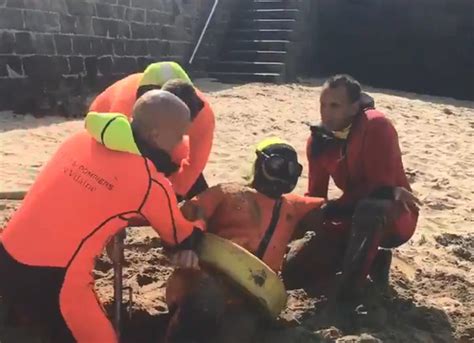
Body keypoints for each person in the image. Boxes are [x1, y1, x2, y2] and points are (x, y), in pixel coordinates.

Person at [0, 90, 204, 342]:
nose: (180, 144)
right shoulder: (149, 182)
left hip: (7, 253)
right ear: (156, 135)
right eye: (179, 135)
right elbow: (181, 236)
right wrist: (200, 217)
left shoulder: (80, 138)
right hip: (55, 280)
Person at [164, 138, 326, 343]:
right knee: (206, 301)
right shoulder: (227, 193)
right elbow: (194, 212)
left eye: (291, 169)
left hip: (252, 297)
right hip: (204, 278)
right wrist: (189, 244)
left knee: (241, 327)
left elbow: (327, 208)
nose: (283, 174)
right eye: (276, 165)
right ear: (259, 164)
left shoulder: (293, 206)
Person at [282, 75, 420, 301]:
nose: (326, 112)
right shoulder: (318, 140)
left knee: (370, 209)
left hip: (395, 215)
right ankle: (374, 260)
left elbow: (380, 187)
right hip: (349, 213)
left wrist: (331, 209)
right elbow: (316, 195)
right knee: (295, 272)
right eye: (323, 105)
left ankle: (349, 296)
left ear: (354, 106)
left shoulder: (376, 125)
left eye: (335, 105)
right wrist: (300, 214)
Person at [89, 61, 215, 199]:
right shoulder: (124, 109)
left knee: (185, 173)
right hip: (108, 124)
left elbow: (194, 164)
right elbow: (118, 165)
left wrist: (175, 192)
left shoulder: (202, 116)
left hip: (158, 134)